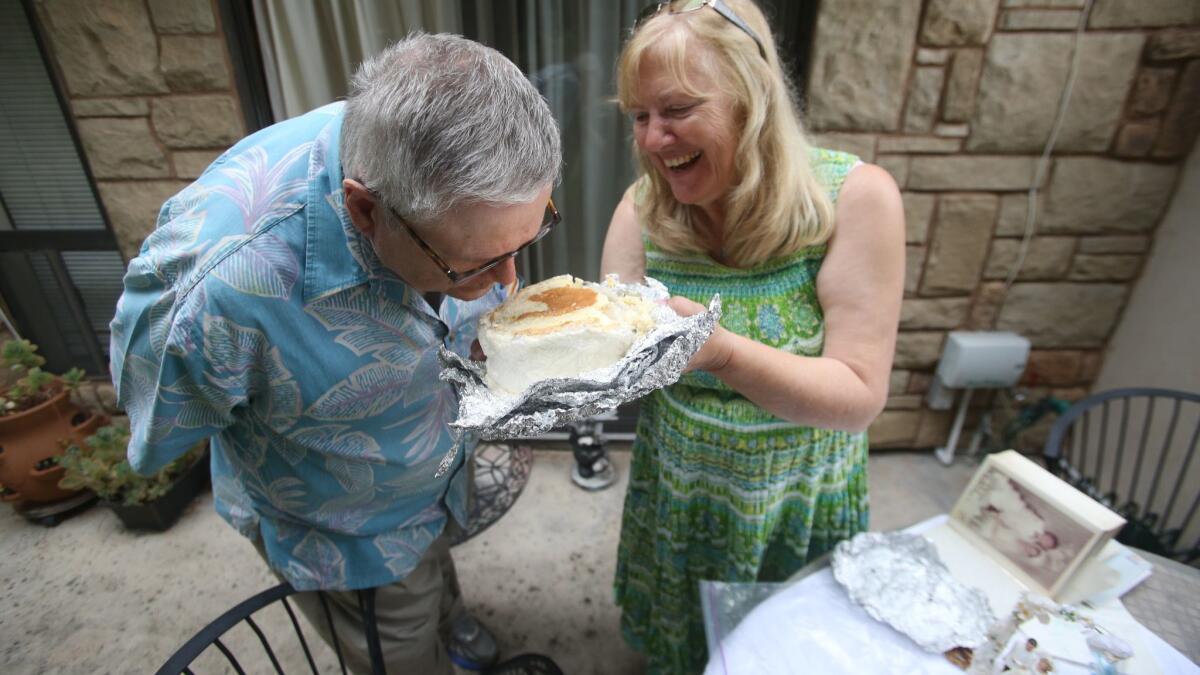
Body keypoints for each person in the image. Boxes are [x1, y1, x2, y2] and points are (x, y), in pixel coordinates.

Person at [110, 34, 561, 673]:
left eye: (529, 237)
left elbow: (480, 276)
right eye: (473, 264)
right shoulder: (216, 287)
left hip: (436, 482)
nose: (508, 284)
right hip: (352, 538)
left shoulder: (409, 146)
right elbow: (162, 424)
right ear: (364, 208)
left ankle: (448, 623)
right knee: (400, 652)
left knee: (433, 579)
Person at [599, 1, 905, 671]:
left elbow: (857, 394)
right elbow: (611, 356)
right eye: (641, 116)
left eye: (677, 109)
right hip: (680, 497)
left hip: (793, 506)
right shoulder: (641, 210)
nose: (653, 140)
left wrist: (720, 351)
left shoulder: (855, 200)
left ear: (753, 97)